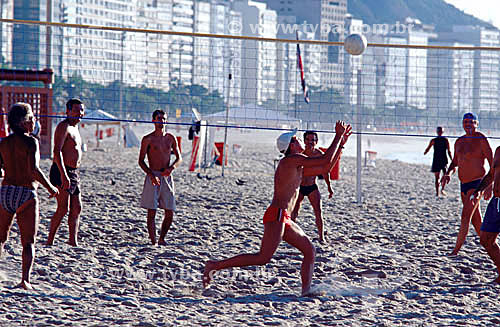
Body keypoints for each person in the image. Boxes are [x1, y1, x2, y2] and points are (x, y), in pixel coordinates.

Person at [203, 121, 352, 296]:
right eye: (297, 139)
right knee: (262, 258)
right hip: (277, 215)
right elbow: (324, 160)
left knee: (310, 251)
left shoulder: (298, 165)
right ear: (291, 146)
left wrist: (341, 143)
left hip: (285, 217)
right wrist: (337, 136)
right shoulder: (291, 160)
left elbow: (326, 167)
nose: (301, 141)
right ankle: (214, 265)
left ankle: (306, 290)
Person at [0, 103, 58, 289]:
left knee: (1, 238)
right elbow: (34, 170)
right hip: (25, 193)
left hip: (6, 191)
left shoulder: (4, 143)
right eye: (32, 118)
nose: (34, 121)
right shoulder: (31, 142)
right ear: (24, 122)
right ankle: (25, 279)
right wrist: (50, 188)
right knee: (28, 242)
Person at [441, 113, 493, 256]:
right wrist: (448, 174)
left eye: (471, 121)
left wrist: (489, 186)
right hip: (463, 184)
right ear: (462, 124)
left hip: (477, 184)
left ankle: (455, 251)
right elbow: (455, 163)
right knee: (476, 220)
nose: (468, 124)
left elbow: (492, 163)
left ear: (477, 124)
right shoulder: (459, 142)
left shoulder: (481, 139)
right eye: (465, 121)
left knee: (465, 217)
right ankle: (490, 246)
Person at [138, 110, 182, 245]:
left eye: (164, 119)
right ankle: (153, 241)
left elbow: (179, 158)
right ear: (153, 120)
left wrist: (172, 168)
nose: (161, 121)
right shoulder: (148, 139)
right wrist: (150, 175)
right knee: (152, 211)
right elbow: (141, 161)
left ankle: (162, 238)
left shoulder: (170, 138)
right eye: (159, 118)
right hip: (153, 175)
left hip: (166, 175)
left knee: (170, 211)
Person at [46, 98, 85, 246]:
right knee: (63, 208)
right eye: (76, 110)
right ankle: (49, 241)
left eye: (81, 110)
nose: (79, 113)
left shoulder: (76, 128)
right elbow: (57, 152)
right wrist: (64, 175)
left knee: (77, 207)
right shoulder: (64, 126)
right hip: (62, 170)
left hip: (74, 172)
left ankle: (72, 241)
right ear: (67, 111)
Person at [291, 131, 334, 243]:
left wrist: (329, 187)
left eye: (313, 140)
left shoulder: (319, 155)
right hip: (299, 187)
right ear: (304, 141)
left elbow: (325, 171)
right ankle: (291, 235)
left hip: (311, 186)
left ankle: (321, 237)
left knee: (318, 212)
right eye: (308, 140)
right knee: (294, 212)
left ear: (316, 142)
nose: (310, 142)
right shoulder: (300, 152)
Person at [471, 146, 500, 284]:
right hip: (496, 201)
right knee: (486, 239)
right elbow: (491, 174)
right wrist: (479, 190)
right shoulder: (499, 150)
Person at [424, 126, 453, 197]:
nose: (440, 133)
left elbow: (449, 151)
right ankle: (438, 192)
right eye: (439, 131)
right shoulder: (434, 140)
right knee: (437, 177)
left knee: (445, 176)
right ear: (437, 132)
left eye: (441, 131)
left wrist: (452, 160)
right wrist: (426, 151)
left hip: (443, 160)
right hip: (437, 160)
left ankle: (442, 189)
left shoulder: (445, 140)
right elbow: (428, 148)